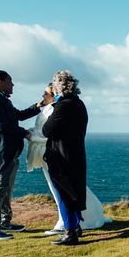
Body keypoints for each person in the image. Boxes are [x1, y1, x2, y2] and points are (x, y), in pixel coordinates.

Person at [26, 83, 111, 234]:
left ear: (55, 93)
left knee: (63, 190)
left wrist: (30, 136)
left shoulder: (58, 108)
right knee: (60, 189)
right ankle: (73, 222)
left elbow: (48, 132)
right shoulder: (54, 106)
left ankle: (69, 224)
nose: (43, 96)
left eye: (46, 93)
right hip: (49, 152)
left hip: (55, 153)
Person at [0, 70, 43, 241]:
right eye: (10, 81)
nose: (13, 85)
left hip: (9, 152)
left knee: (6, 190)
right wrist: (25, 133)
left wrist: (38, 106)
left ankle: (5, 222)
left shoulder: (1, 100)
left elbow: (18, 115)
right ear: (0, 82)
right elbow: (3, 126)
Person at [42, 71, 89, 246]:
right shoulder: (79, 104)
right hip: (76, 154)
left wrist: (53, 106)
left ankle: (70, 232)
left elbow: (47, 130)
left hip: (61, 156)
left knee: (64, 194)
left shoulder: (63, 106)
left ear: (58, 87)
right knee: (73, 192)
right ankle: (76, 226)